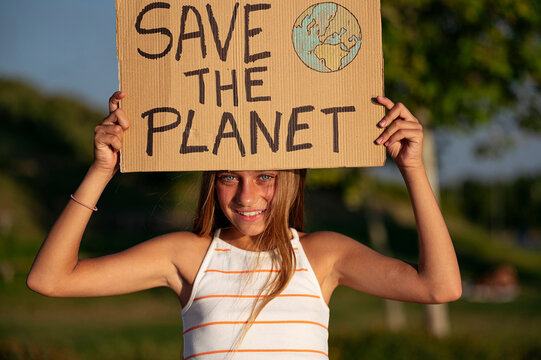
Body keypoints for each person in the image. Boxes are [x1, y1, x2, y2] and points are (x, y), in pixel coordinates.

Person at [27, 92, 461, 359]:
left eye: (265, 177)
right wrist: (103, 169)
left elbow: (440, 288)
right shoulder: (186, 255)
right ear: (211, 181)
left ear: (288, 179)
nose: (247, 197)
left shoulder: (323, 255)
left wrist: (412, 168)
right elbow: (50, 279)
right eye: (228, 176)